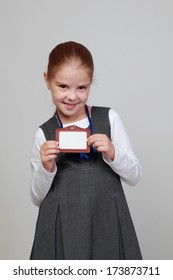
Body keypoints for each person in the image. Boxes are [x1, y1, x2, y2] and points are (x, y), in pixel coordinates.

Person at [30, 41, 142, 260]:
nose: (72, 96)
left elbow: (135, 176)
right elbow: (36, 198)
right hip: (61, 229)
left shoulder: (109, 118)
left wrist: (112, 152)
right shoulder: (43, 134)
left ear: (90, 83)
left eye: (82, 87)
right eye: (63, 86)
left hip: (106, 223)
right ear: (47, 80)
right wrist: (46, 168)